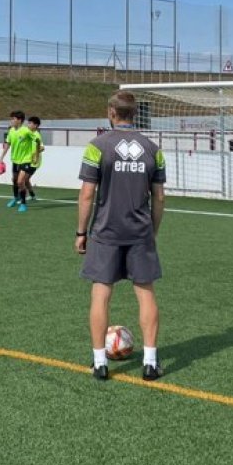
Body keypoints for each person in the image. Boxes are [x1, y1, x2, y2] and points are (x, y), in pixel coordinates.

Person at [76, 90, 166, 381]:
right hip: (140, 232)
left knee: (101, 295)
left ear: (111, 113)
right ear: (135, 114)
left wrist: (81, 232)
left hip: (106, 231)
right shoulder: (154, 149)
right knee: (146, 294)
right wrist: (152, 231)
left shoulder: (97, 146)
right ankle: (150, 363)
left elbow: (87, 194)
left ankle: (100, 363)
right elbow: (160, 198)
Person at [0, 110, 36, 212]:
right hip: (15, 160)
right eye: (11, 118)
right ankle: (15, 198)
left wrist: (36, 153)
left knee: (20, 181)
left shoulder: (26, 131)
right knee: (14, 180)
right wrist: (1, 158)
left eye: (13, 119)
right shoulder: (11, 131)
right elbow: (8, 145)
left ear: (19, 120)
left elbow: (36, 140)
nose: (11, 120)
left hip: (26, 160)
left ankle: (23, 204)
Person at [24, 116, 44, 201]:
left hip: (34, 161)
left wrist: (34, 155)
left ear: (36, 125)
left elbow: (42, 148)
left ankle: (22, 198)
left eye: (30, 123)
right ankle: (32, 195)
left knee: (23, 179)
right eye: (28, 123)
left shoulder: (36, 135)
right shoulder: (29, 133)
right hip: (27, 159)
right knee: (25, 179)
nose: (28, 125)